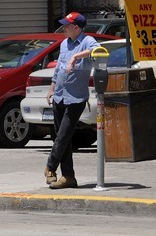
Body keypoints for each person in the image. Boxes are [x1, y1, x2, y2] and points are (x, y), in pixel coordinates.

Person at [43, 11, 99, 190]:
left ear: (76, 27)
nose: (64, 28)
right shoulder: (64, 44)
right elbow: (60, 66)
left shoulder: (86, 41)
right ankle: (68, 177)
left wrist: (76, 57)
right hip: (60, 95)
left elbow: (98, 50)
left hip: (76, 98)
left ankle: (50, 167)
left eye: (67, 26)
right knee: (62, 138)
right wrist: (52, 86)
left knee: (64, 135)